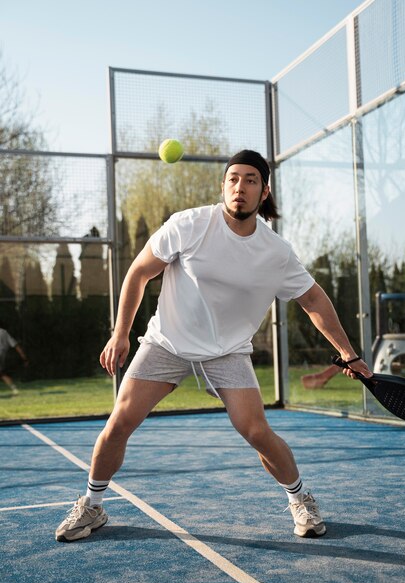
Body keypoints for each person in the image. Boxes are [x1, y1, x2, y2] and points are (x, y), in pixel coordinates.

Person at [55, 150, 372, 542]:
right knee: (119, 423)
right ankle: (91, 505)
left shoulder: (276, 252)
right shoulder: (189, 224)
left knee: (256, 431)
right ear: (223, 186)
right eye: (233, 179)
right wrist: (120, 332)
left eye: (250, 180)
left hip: (228, 350)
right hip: (167, 341)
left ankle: (300, 499)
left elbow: (314, 300)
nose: (240, 187)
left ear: (264, 191)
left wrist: (349, 354)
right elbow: (138, 272)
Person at [0, 327, 28, 395]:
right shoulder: (3, 332)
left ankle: (14, 389)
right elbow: (15, 345)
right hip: (2, 355)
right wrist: (24, 357)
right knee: (1, 374)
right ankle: (15, 389)